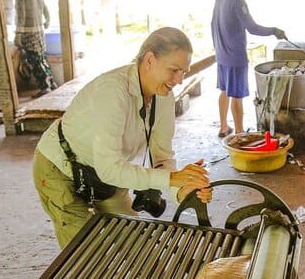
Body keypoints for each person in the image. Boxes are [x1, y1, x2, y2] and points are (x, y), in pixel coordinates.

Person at [32, 27, 212, 248]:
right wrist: (173, 178)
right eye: (174, 70)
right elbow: (109, 169)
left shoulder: (163, 96)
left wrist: (182, 188)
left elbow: (161, 155)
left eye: (183, 72)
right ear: (149, 60)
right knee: (84, 255)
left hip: (103, 173)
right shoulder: (113, 92)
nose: (179, 80)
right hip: (60, 169)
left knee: (134, 240)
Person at [211, 0, 286, 138]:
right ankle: (238, 132)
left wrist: (218, 48)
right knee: (236, 95)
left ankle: (223, 127)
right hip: (235, 56)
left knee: (224, 91)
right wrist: (274, 31)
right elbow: (252, 27)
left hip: (222, 54)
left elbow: (212, 24)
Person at [11, 0, 57, 98]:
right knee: (41, 58)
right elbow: (44, 6)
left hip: (28, 33)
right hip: (39, 31)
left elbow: (21, 15)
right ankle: (51, 83)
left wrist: (18, 35)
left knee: (35, 60)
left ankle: (44, 87)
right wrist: (48, 19)